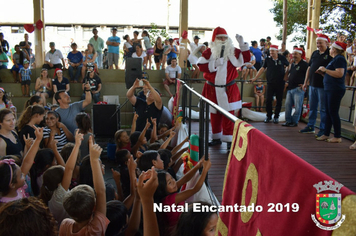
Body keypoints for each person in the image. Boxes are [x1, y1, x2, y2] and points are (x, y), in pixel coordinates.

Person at [197, 27, 250, 148]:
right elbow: (200, 66)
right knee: (214, 114)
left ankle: (229, 140)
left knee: (229, 114)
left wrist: (243, 45)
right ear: (214, 39)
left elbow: (246, 59)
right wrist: (214, 63)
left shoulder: (234, 51)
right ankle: (216, 138)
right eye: (220, 37)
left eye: (224, 37)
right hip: (212, 89)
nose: (222, 39)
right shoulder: (209, 52)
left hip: (228, 89)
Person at [59, 137, 110, 235]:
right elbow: (101, 191)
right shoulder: (95, 229)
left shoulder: (65, 225)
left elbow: (100, 192)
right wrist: (94, 160)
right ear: (94, 207)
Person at [154, 158, 211, 234]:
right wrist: (205, 170)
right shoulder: (171, 199)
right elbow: (195, 189)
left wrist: (198, 166)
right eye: (169, 182)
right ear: (162, 189)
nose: (174, 182)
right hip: (179, 231)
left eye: (172, 178)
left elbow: (184, 179)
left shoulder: (167, 193)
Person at [39, 130, 82, 226]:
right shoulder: (58, 197)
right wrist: (77, 145)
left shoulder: (50, 193)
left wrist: (54, 149)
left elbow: (66, 169)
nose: (65, 167)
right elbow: (69, 169)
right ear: (59, 183)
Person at [315, 41, 347, 143]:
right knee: (328, 112)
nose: (329, 50)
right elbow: (333, 74)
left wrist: (325, 70)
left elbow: (339, 74)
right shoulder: (334, 59)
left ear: (335, 50)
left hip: (335, 89)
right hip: (330, 88)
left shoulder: (340, 59)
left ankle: (337, 136)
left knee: (333, 112)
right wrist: (323, 73)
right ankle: (326, 133)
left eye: (331, 48)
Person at [301, 34, 333, 137]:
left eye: (320, 43)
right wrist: (306, 82)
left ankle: (323, 129)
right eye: (317, 43)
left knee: (323, 108)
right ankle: (311, 126)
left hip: (323, 86)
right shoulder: (315, 53)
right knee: (313, 107)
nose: (318, 44)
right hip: (313, 85)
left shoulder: (330, 54)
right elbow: (309, 68)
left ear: (326, 43)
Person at [251, 45, 289, 124]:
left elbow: (288, 66)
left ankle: (276, 117)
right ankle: (268, 116)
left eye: (273, 51)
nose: (271, 53)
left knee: (279, 100)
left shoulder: (282, 58)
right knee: (268, 100)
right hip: (270, 82)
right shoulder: (268, 59)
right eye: (270, 51)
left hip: (280, 82)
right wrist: (255, 78)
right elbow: (262, 68)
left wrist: (286, 76)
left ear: (276, 51)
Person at [282, 48, 308, 127]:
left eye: (296, 54)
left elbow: (309, 75)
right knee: (287, 105)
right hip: (290, 88)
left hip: (298, 88)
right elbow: (286, 77)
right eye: (293, 54)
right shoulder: (292, 64)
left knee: (298, 106)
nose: (293, 56)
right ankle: (288, 121)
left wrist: (305, 84)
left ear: (300, 54)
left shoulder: (304, 64)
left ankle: (295, 121)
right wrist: (288, 67)